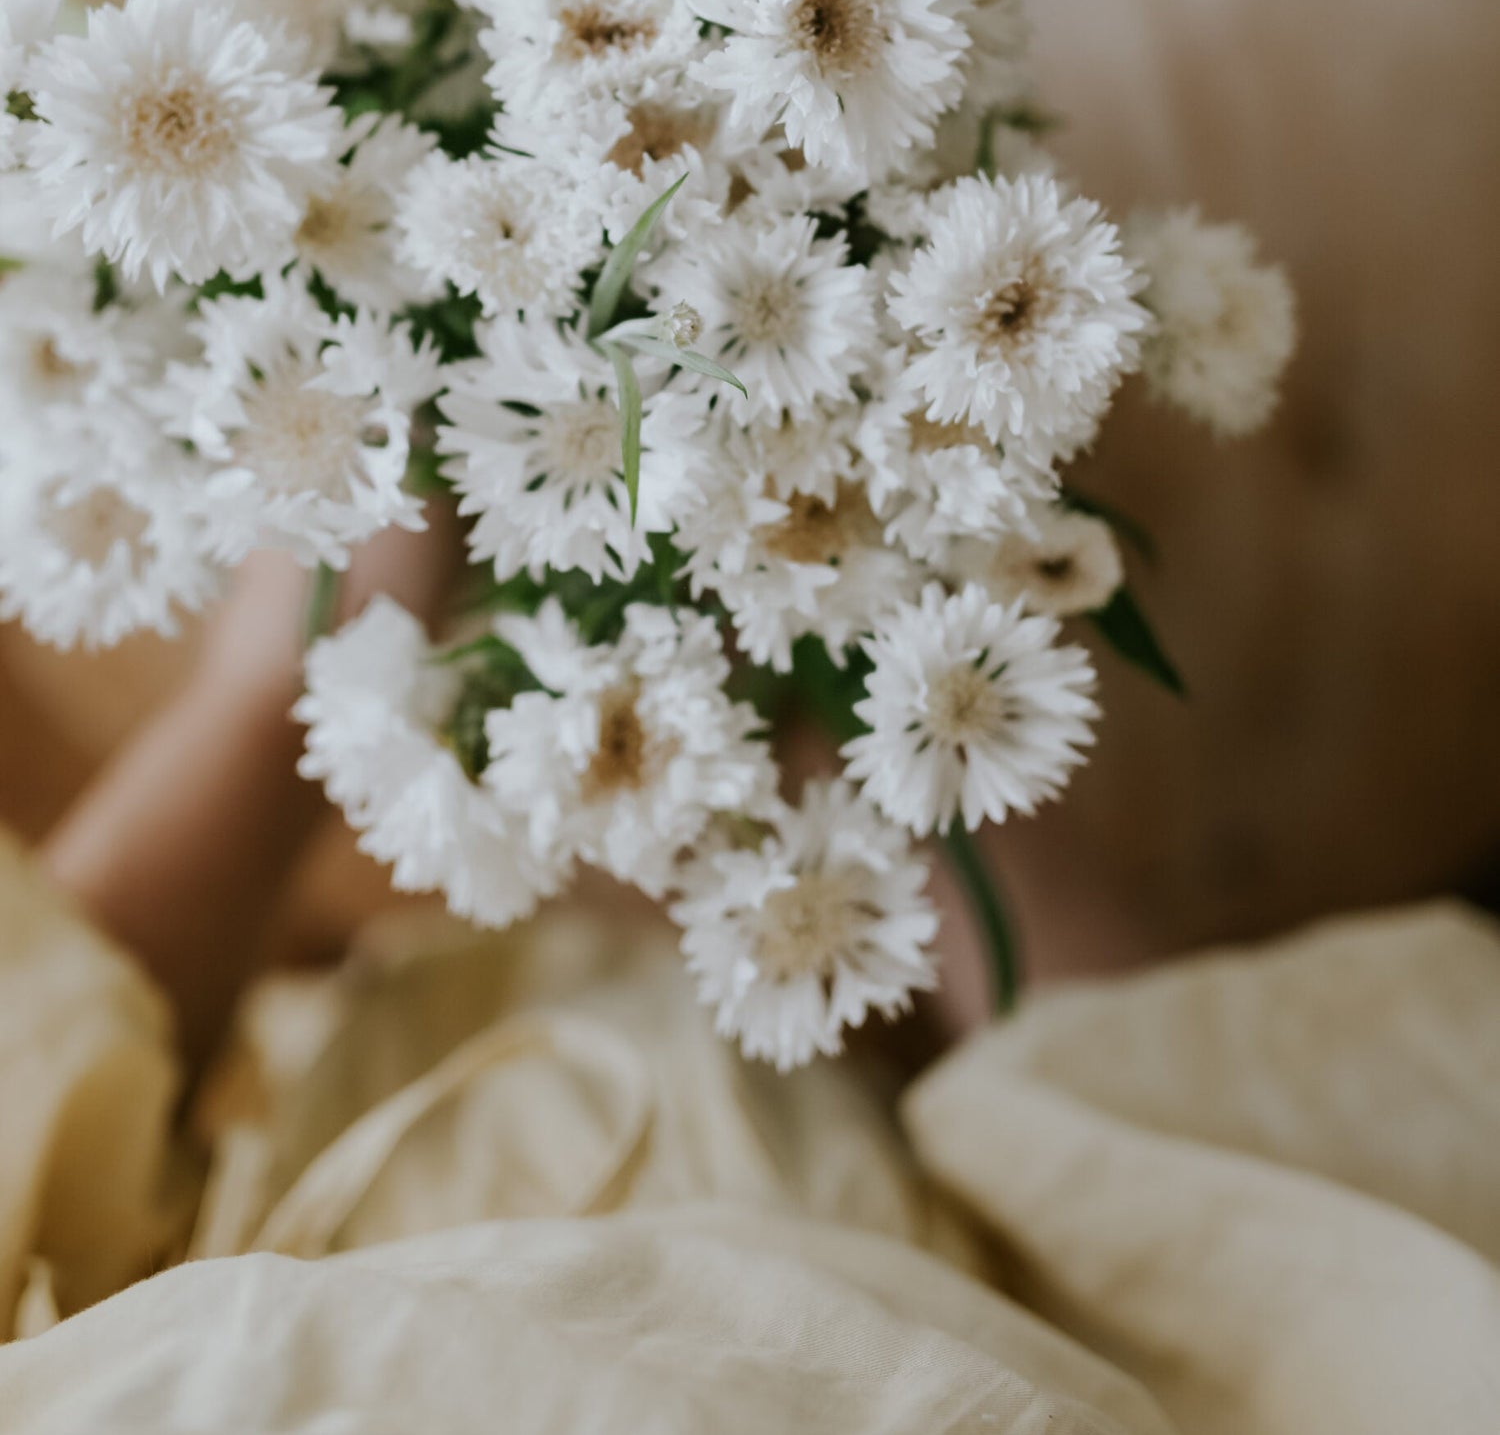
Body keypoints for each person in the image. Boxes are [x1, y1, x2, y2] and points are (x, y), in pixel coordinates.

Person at [0, 534, 1496, 1431]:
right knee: (1284, 1252)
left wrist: (292, 686)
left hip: (376, 1265)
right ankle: (882, 741)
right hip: (844, 1271)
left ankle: (861, 737)